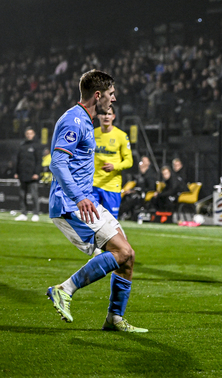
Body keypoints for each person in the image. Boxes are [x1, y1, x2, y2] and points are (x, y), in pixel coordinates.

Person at [46, 69, 147, 332]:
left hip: (86, 200)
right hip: (71, 204)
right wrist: (79, 197)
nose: (114, 99)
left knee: (128, 256)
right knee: (121, 252)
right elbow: (57, 164)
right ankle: (64, 290)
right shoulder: (74, 121)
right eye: (111, 94)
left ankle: (115, 318)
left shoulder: (85, 121)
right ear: (98, 95)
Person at [92, 106, 133, 219]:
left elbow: (129, 161)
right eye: (103, 114)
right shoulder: (92, 134)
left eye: (109, 114)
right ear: (98, 116)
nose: (106, 116)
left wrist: (115, 166)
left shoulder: (121, 136)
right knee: (90, 222)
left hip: (111, 186)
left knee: (110, 224)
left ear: (113, 117)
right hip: (93, 184)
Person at [14, 127, 43, 222]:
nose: (29, 135)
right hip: (22, 175)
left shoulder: (37, 146)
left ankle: (36, 214)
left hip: (32, 176)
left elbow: (39, 161)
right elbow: (18, 160)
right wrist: (16, 172)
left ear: (34, 134)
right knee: (22, 195)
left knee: (34, 195)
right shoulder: (22, 146)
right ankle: (23, 213)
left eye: (31, 133)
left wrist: (36, 173)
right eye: (27, 133)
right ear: (25, 135)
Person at [119, 155, 158, 220]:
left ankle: (119, 213)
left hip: (143, 194)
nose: (141, 163)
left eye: (143, 161)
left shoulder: (150, 175)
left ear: (148, 163)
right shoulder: (141, 175)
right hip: (138, 192)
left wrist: (137, 191)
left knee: (132, 199)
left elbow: (151, 187)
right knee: (126, 195)